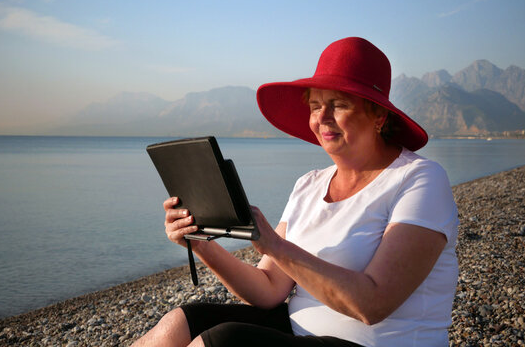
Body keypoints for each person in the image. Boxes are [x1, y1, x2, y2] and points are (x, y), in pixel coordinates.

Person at [132, 37, 459, 347]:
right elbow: (270, 289)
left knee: (225, 341)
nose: (322, 118)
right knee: (185, 320)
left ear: (379, 115)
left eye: (338, 105)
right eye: (315, 106)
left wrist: (276, 245)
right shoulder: (309, 185)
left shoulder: (419, 180)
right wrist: (199, 240)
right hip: (299, 334)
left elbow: (373, 303)